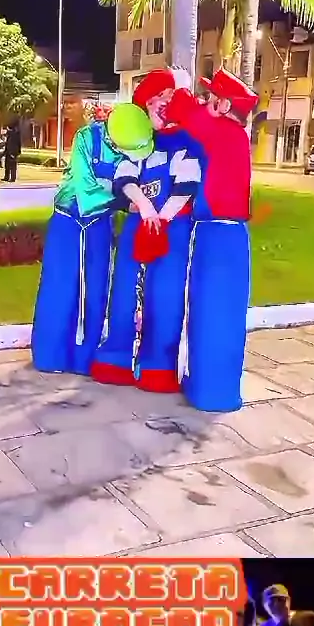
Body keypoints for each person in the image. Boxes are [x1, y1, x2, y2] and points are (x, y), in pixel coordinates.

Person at [92, 68, 204, 394]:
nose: (162, 105)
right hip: (139, 226)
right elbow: (125, 179)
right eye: (155, 100)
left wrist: (162, 218)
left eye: (167, 98)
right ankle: (117, 358)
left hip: (172, 229)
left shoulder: (185, 144)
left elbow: (186, 187)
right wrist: (143, 206)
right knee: (125, 290)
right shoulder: (140, 146)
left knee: (165, 295)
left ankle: (159, 366)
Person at [32, 102, 155, 376]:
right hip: (68, 222)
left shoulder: (131, 148)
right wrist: (126, 203)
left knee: (96, 288)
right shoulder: (86, 138)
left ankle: (85, 358)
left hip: (99, 225)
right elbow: (85, 188)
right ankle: (51, 355)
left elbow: (130, 181)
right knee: (60, 287)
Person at [164, 67, 258, 412]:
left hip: (215, 236)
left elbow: (183, 112)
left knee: (209, 312)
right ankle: (216, 388)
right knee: (221, 314)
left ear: (224, 105)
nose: (205, 102)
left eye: (211, 97)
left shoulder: (222, 132)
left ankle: (207, 391)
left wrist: (180, 85)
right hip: (230, 237)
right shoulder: (233, 136)